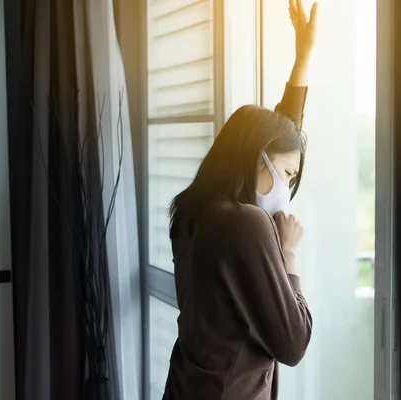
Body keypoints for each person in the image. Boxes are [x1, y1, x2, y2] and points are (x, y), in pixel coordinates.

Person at [162, 1, 318, 399]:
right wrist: (289, 256)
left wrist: (302, 60)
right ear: (256, 157)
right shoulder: (245, 224)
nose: (286, 188)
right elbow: (294, 342)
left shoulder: (195, 211)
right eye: (287, 175)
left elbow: (278, 138)